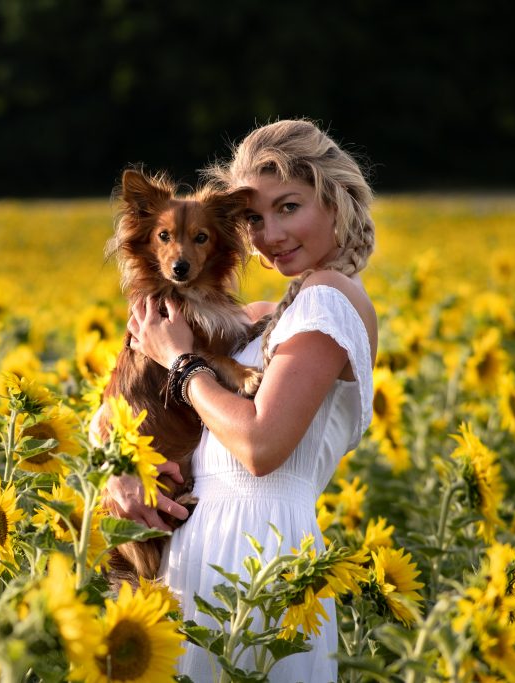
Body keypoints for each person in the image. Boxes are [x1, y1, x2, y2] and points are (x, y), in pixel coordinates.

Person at [111, 118, 377, 681]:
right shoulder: (260, 318)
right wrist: (119, 471)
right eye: (254, 217)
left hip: (258, 557)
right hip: (200, 557)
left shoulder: (328, 299)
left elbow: (259, 445)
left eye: (289, 207)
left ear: (335, 202)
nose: (270, 233)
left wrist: (181, 364)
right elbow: (117, 405)